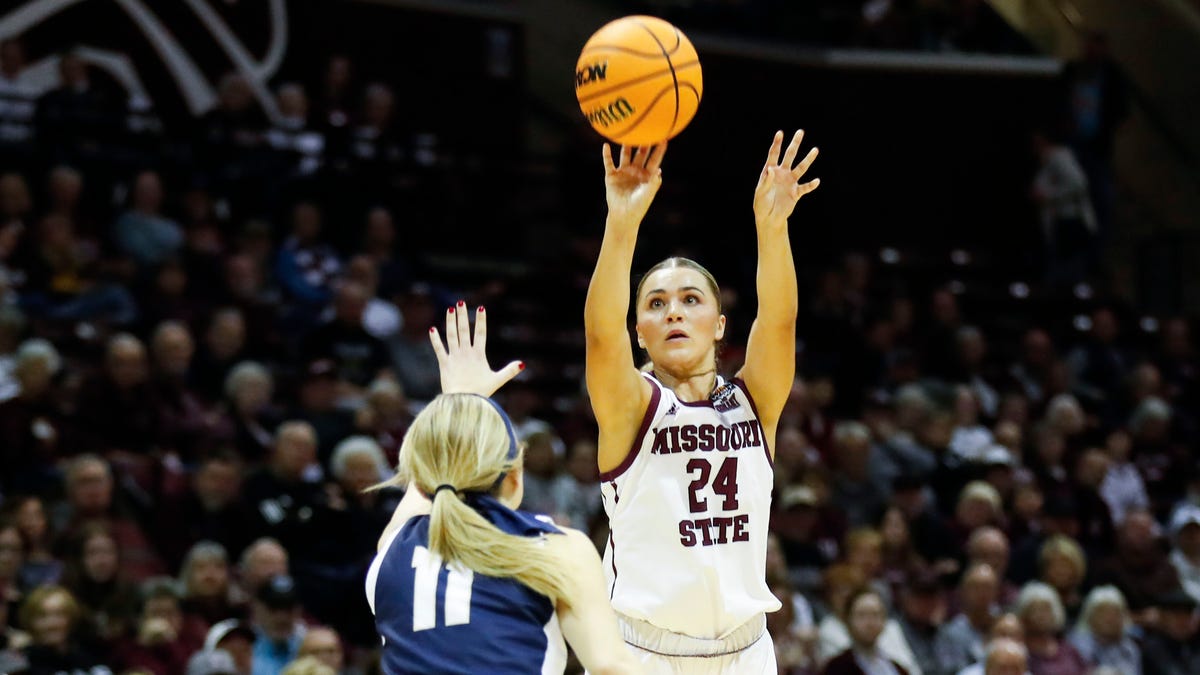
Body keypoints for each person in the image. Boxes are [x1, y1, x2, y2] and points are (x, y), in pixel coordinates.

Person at [584, 131, 818, 672]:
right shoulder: (630, 407)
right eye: (656, 303)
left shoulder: (753, 400)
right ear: (639, 331)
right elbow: (600, 336)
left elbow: (779, 321)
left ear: (718, 326)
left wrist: (773, 227)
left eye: (691, 301)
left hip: (746, 651)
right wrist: (621, 224)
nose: (673, 312)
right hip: (643, 652)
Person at [365, 306, 639, 674]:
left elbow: (428, 478)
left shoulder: (389, 554)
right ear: (514, 474)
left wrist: (460, 399)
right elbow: (611, 668)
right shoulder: (555, 547)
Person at [821, 587, 911, 675]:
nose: (870, 623)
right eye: (862, 615)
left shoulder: (899, 669)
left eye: (876, 614)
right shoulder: (836, 668)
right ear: (847, 620)